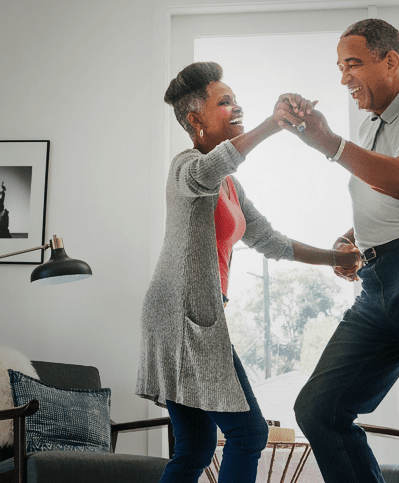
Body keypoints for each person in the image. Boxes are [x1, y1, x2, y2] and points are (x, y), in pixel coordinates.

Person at [273, 19, 399, 483]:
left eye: (353, 64)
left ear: (391, 61)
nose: (344, 77)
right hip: (378, 282)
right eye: (340, 67)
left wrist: (328, 142)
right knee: (320, 409)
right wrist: (352, 237)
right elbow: (382, 195)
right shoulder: (372, 128)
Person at [138, 61, 362, 483]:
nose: (236, 107)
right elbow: (209, 168)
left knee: (195, 448)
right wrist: (272, 123)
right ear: (195, 119)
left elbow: (271, 241)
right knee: (249, 433)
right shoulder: (186, 168)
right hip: (180, 319)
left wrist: (338, 260)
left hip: (194, 317)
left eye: (237, 100)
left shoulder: (231, 187)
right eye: (225, 102)